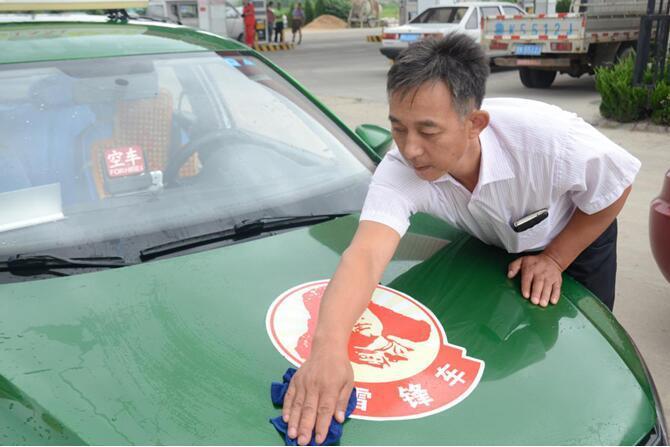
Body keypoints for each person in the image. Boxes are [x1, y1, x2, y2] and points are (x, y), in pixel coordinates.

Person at [281, 33, 641, 446]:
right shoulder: (400, 170)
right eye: (398, 128)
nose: (410, 149)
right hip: (496, 241)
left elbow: (615, 188)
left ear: (474, 124)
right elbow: (364, 256)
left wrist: (556, 259)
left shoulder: (549, 141)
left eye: (428, 131)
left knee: (581, 349)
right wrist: (328, 349)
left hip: (575, 235)